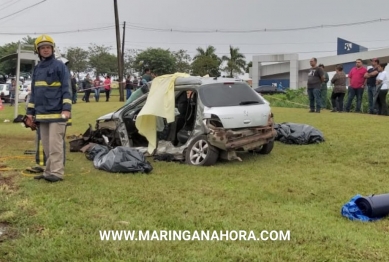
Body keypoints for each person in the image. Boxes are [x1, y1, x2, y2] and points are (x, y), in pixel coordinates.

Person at [26, 34, 71, 183]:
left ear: (52, 49)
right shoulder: (37, 68)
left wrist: (66, 109)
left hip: (57, 113)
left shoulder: (60, 66)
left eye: (48, 47)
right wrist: (30, 113)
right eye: (42, 48)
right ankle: (48, 171)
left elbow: (66, 89)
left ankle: (57, 173)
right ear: (37, 50)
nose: (45, 50)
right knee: (46, 146)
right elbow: (34, 93)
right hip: (41, 114)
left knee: (54, 145)